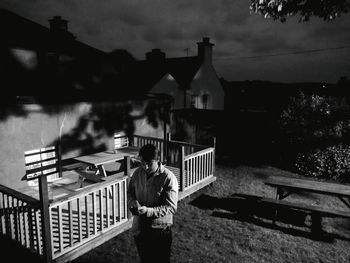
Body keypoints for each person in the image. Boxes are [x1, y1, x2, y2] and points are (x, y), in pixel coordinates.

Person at [128, 144, 178, 263]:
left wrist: (148, 211)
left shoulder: (168, 177)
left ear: (158, 160)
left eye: (149, 163)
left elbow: (171, 207)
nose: (145, 166)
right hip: (140, 228)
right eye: (142, 162)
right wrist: (132, 202)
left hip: (160, 231)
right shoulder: (137, 173)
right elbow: (130, 192)